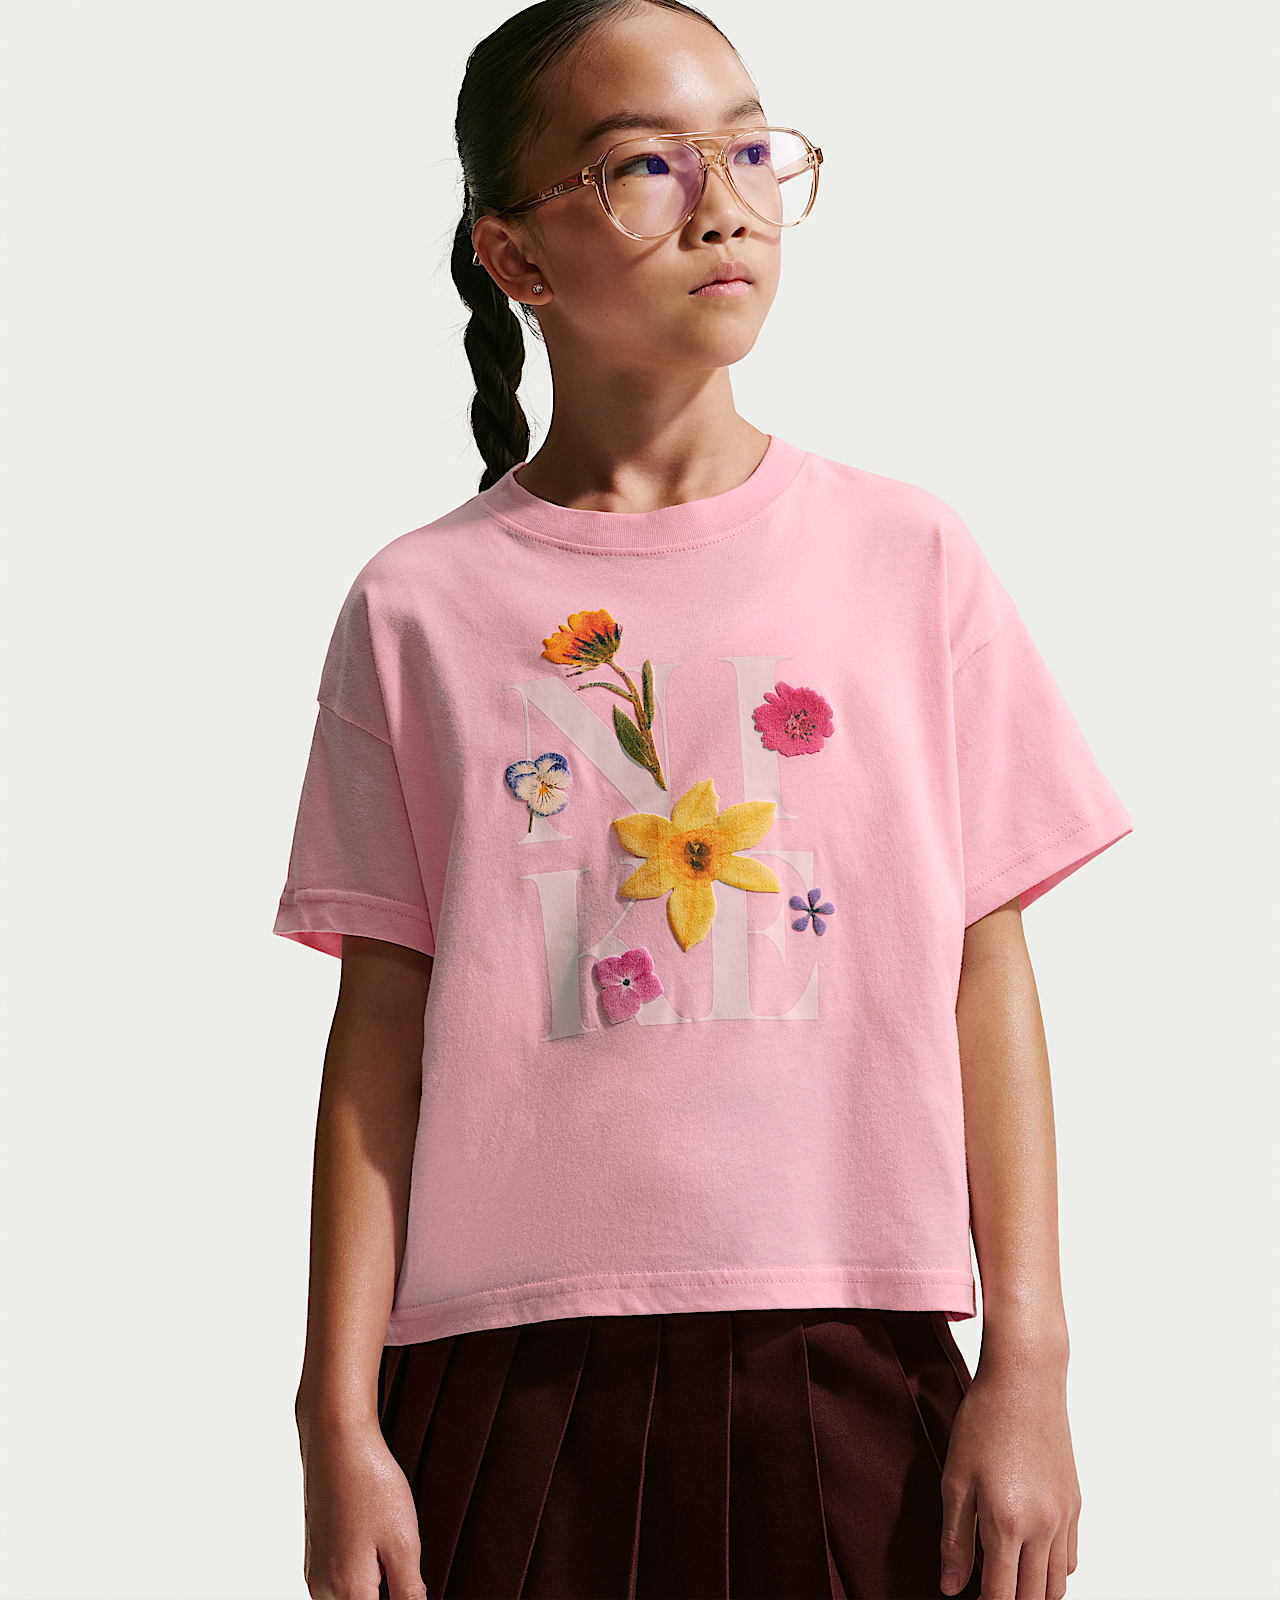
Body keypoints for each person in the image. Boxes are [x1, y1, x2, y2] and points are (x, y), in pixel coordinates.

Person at [274, 1, 1132, 1596]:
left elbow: (987, 973)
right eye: (643, 167)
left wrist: (1032, 1368)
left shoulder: (908, 557)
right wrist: (335, 1417)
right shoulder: (416, 607)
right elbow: (377, 1035)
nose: (723, 201)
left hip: (853, 1346)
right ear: (514, 258)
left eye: (746, 148)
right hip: (502, 1376)